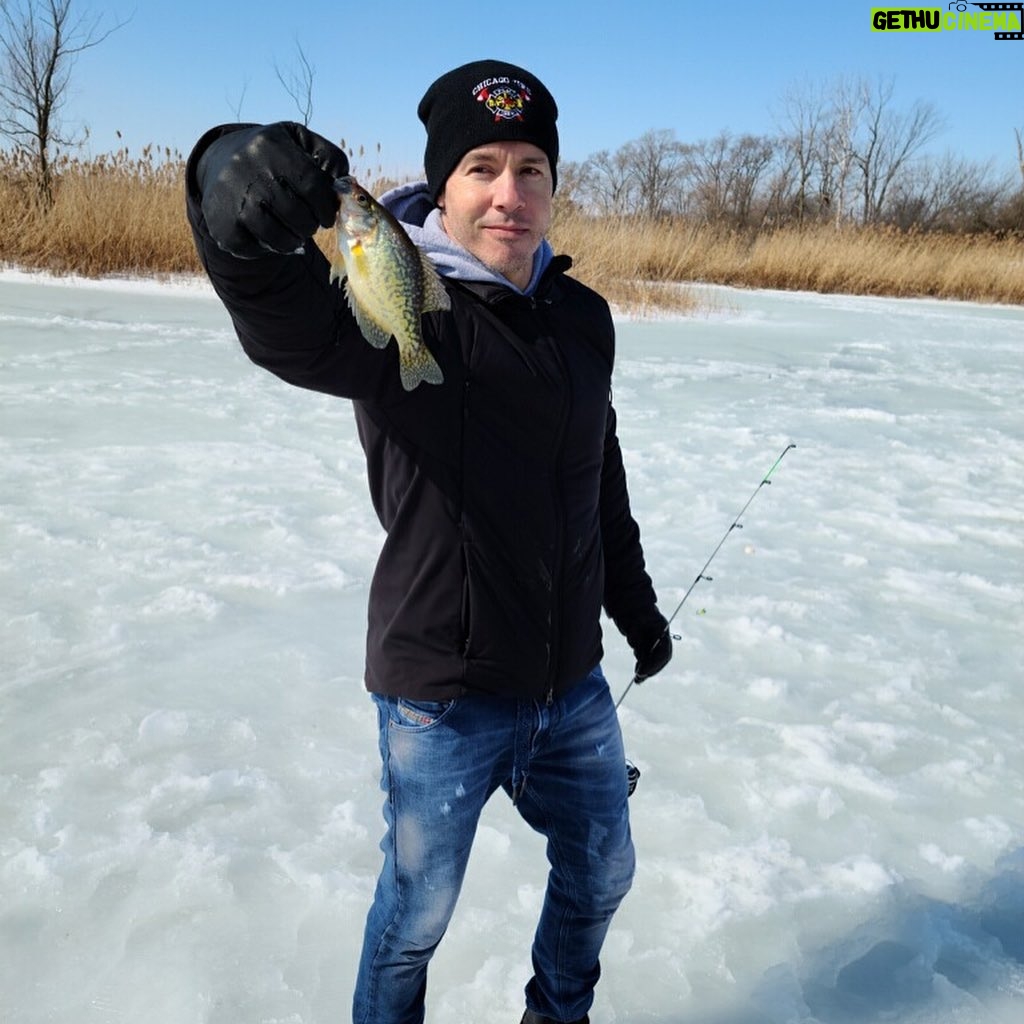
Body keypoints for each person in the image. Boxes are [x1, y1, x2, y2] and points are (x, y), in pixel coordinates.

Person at [185, 58, 672, 1024]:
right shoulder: (391, 301)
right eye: (482, 167)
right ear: (442, 187)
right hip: (441, 700)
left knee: (604, 870)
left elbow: (598, 475)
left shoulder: (583, 318)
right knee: (414, 920)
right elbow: (284, 323)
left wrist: (635, 602)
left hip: (570, 683)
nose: (509, 194)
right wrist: (219, 183)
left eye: (532, 168)